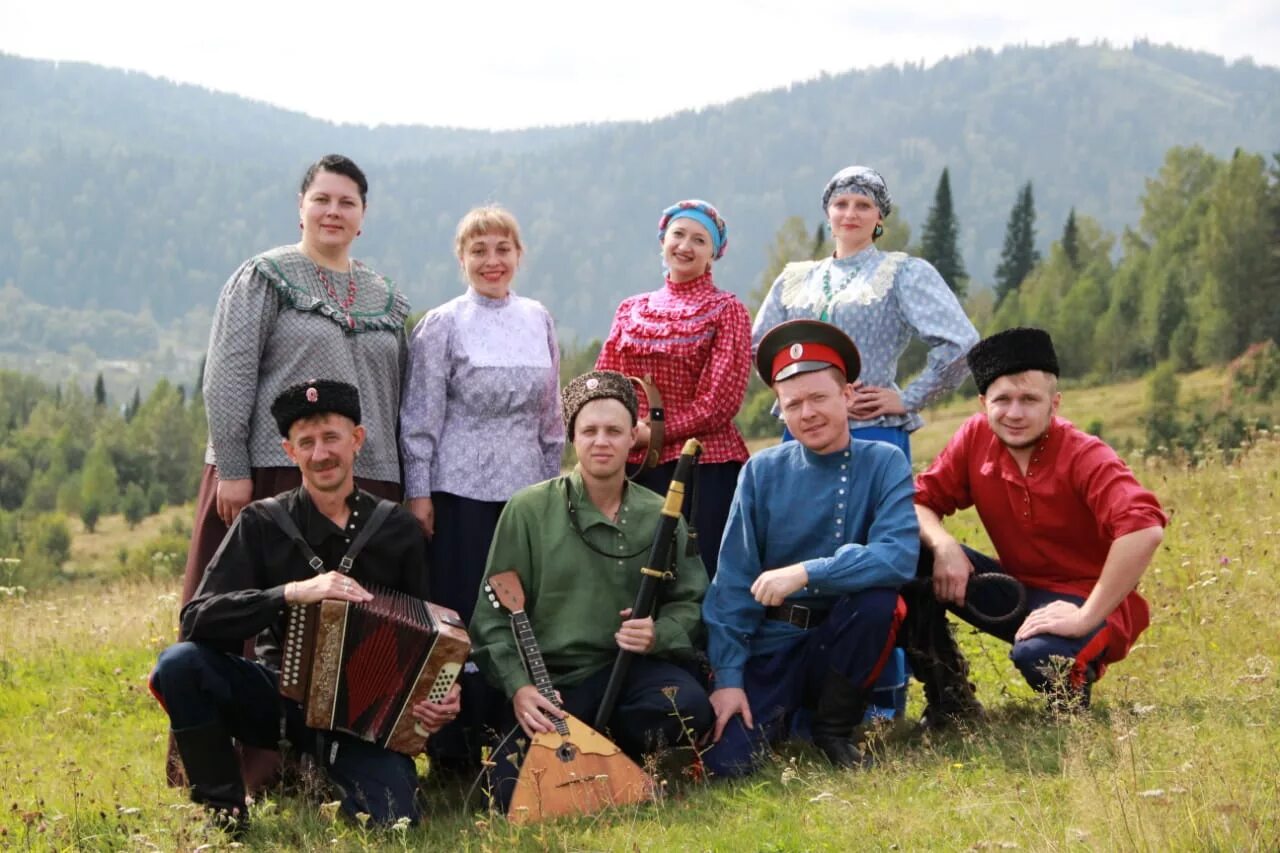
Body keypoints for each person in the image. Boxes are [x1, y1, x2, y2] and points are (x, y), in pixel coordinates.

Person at [177, 153, 410, 785]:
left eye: (348, 202)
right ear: (301, 207)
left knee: (358, 629)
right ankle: (250, 766)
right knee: (257, 621)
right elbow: (226, 375)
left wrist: (404, 484)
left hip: (372, 476)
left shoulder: (387, 297)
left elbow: (399, 397)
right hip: (271, 470)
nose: (334, 211)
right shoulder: (264, 278)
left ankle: (347, 758)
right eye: (322, 199)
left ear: (363, 217)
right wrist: (233, 465)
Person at [150, 380, 461, 835]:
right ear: (289, 451)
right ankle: (226, 813)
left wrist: (440, 695)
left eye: (331, 438)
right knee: (179, 665)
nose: (321, 454)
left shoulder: (397, 529)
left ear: (357, 440)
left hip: (359, 720)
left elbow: (431, 638)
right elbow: (197, 618)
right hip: (277, 700)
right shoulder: (262, 523)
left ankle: (339, 777)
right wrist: (291, 593)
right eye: (307, 443)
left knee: (395, 821)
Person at [469, 370, 713, 810]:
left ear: (632, 437)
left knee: (689, 706)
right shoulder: (527, 509)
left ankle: (620, 755)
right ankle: (610, 765)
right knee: (512, 793)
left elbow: (691, 600)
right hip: (554, 685)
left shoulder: (661, 513)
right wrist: (521, 687)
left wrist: (659, 633)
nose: (602, 441)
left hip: (628, 673)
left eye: (614, 430)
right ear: (572, 438)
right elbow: (491, 622)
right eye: (590, 430)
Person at [905, 327, 1167, 722]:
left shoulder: (1085, 454)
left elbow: (1144, 528)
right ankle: (950, 698)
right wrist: (944, 546)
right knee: (907, 552)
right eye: (1002, 400)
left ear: (1054, 403)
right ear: (983, 403)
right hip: (1016, 593)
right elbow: (919, 501)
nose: (1014, 413)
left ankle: (1070, 700)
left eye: (1029, 399)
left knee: (1039, 656)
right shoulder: (976, 437)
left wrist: (1084, 617)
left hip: (1090, 602)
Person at [701, 321, 918, 777]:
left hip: (842, 643)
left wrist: (806, 572)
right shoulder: (761, 472)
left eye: (819, 398)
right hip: (773, 646)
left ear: (848, 396)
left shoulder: (885, 461)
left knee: (879, 601)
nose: (808, 413)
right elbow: (733, 584)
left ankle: (832, 729)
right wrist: (729, 679)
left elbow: (898, 555)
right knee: (727, 765)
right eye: (793, 404)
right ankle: (789, 717)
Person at [399, 205, 563, 772]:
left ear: (519, 255)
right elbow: (420, 417)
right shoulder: (443, 324)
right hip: (458, 492)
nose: (492, 261)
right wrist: (419, 494)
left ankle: (517, 735)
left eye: (503, 249)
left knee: (520, 617)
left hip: (525, 496)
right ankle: (454, 749)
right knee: (463, 618)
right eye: (479, 251)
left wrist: (551, 493)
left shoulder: (538, 317)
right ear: (461, 258)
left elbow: (551, 416)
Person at [751, 165, 978, 460]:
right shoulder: (795, 278)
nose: (850, 214)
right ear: (828, 214)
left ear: (879, 217)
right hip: (803, 431)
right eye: (841, 204)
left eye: (863, 205)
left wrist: (908, 398)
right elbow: (760, 347)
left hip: (869, 428)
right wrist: (794, 395)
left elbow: (962, 342)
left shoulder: (902, 273)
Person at [596, 199, 751, 578]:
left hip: (703, 465)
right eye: (678, 234)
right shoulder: (631, 308)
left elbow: (719, 402)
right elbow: (606, 382)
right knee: (635, 572)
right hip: (635, 464)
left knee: (697, 573)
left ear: (713, 254)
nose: (685, 245)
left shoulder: (727, 309)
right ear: (663, 240)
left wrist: (654, 432)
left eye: (699, 240)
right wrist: (612, 429)